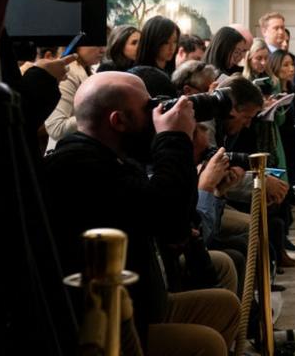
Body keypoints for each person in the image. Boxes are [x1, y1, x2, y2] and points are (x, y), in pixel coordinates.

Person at [39, 72, 240, 356]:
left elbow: (178, 221)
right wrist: (174, 137)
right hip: (109, 327)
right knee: (206, 344)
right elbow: (170, 218)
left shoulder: (114, 157)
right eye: (147, 108)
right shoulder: (78, 169)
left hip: (144, 303)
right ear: (118, 121)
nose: (155, 114)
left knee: (225, 306)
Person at [44, 43, 105, 152]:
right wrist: (98, 112)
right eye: (96, 44)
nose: (103, 50)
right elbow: (57, 128)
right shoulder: (69, 71)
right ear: (77, 44)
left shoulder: (86, 71)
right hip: (68, 156)